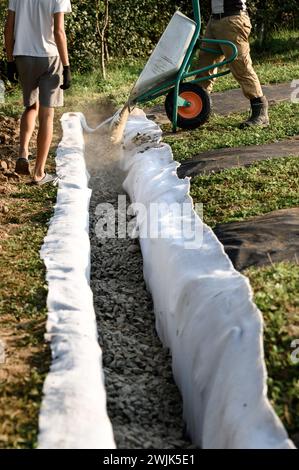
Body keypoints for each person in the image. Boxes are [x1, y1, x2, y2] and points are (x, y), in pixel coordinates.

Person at [4, 0, 72, 184]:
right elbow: (59, 31)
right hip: (50, 57)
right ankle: (39, 173)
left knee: (31, 107)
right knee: (47, 115)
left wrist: (9, 61)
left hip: (23, 56)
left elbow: (8, 28)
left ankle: (23, 152)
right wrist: (66, 66)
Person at [197, 0, 269, 128]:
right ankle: (198, 108)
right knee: (205, 63)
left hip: (233, 19)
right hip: (214, 20)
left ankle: (260, 111)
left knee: (241, 66)